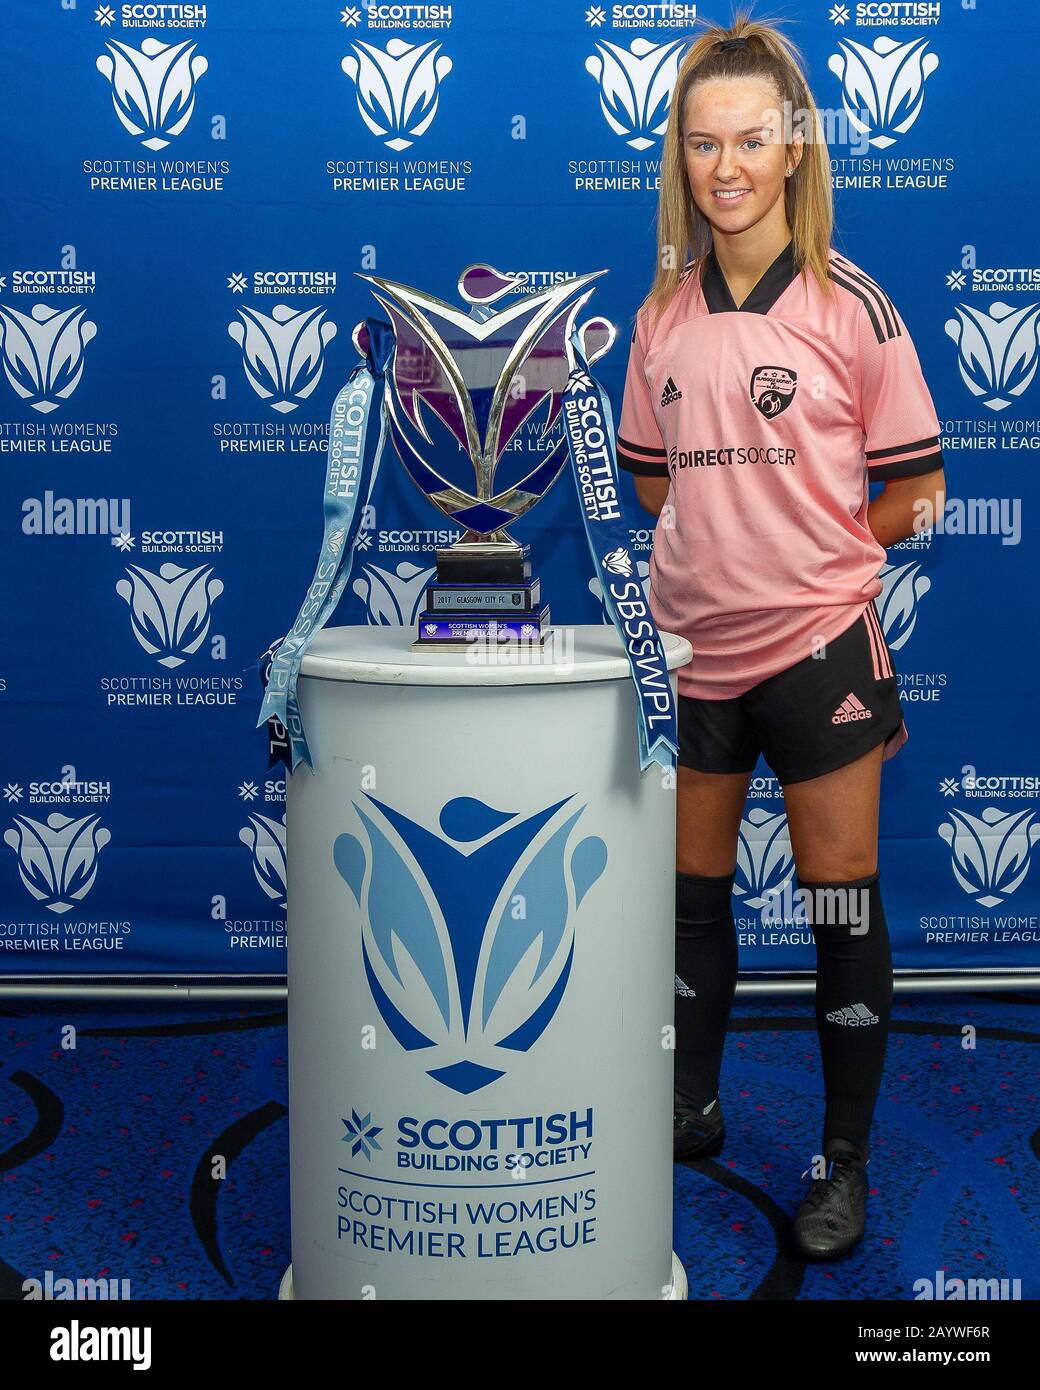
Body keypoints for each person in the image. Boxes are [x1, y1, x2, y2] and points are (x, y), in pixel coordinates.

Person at [617, 11, 945, 1261]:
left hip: (818, 647)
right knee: (692, 894)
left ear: (794, 148)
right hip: (695, 649)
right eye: (703, 145)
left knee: (838, 907)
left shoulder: (848, 304)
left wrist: (814, 550)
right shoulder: (660, 312)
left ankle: (839, 1163)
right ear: (681, 160)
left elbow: (914, 485)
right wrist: (728, 532)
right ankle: (691, 1103)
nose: (727, 167)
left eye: (751, 140)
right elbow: (652, 485)